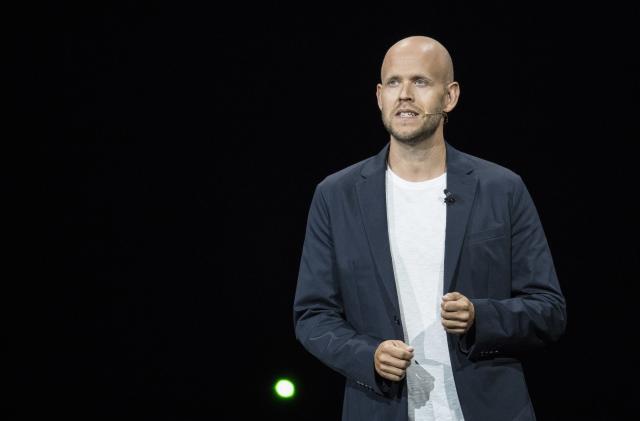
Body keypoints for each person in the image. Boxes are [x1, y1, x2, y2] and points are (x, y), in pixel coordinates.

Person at [292, 35, 566, 421]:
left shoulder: (501, 188)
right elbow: (313, 316)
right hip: (381, 408)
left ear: (449, 96)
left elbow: (549, 310)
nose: (404, 94)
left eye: (420, 82)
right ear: (379, 96)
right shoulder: (336, 196)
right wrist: (368, 356)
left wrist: (479, 318)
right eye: (393, 83)